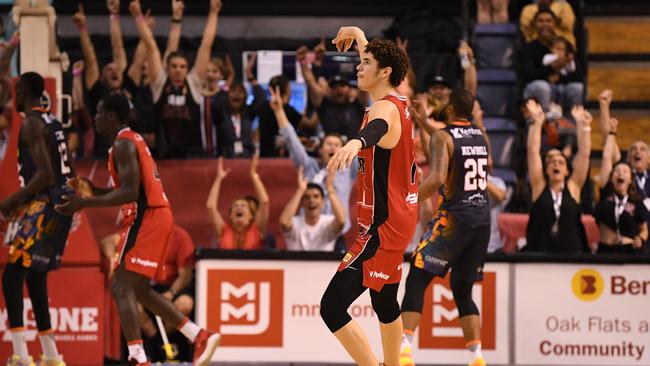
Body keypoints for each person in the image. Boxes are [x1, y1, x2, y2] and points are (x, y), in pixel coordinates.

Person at [54, 94, 219, 366]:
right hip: (154, 214)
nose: (94, 119)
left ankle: (137, 357)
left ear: (111, 117)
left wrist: (84, 203)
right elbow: (130, 191)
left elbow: (130, 192)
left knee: (119, 285)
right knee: (139, 289)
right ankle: (199, 335)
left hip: (148, 217)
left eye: (98, 113)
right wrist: (92, 190)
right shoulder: (129, 141)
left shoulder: (123, 144)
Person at [319, 27, 417, 366]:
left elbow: (377, 129)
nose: (358, 66)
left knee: (331, 307)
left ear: (385, 71)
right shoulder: (397, 97)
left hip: (383, 226)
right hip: (401, 216)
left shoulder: (383, 111)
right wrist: (361, 36)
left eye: (366, 62)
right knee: (385, 301)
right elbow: (381, 65)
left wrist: (355, 142)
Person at [399, 88, 490, 366]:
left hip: (455, 218)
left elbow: (438, 178)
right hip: (482, 220)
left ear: (449, 109)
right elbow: (449, 140)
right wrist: (423, 120)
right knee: (462, 290)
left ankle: (403, 350)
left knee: (417, 278)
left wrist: (408, 199)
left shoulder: (442, 137)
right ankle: (476, 357)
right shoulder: (481, 136)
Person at [0, 72, 73, 366]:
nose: (13, 96)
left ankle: (21, 354)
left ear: (26, 92)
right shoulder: (53, 121)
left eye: (17, 91)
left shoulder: (31, 123)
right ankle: (52, 355)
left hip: (43, 206)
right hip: (62, 206)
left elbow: (44, 175)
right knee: (35, 276)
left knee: (11, 276)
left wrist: (11, 200)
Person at [130, 0, 221, 158]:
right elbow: (151, 46)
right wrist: (138, 17)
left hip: (192, 154)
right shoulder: (159, 84)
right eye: (174, 66)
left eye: (182, 67)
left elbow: (206, 45)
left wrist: (213, 13)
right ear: (167, 68)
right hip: (164, 155)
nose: (178, 70)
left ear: (187, 69)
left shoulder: (193, 83)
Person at [270, 85, 356, 235]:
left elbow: (369, 144)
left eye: (337, 145)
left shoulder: (349, 169)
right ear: (320, 150)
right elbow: (291, 140)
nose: (333, 148)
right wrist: (278, 111)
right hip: (308, 230)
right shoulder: (308, 166)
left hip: (337, 232)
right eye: (329, 144)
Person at [524, 99, 591, 253]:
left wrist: (584, 126)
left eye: (561, 162)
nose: (556, 164)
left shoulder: (574, 187)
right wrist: (536, 123)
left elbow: (584, 153)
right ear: (545, 169)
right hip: (540, 256)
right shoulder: (539, 187)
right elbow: (532, 152)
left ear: (567, 170)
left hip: (571, 258)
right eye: (552, 162)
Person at [595, 117, 648, 253]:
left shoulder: (636, 201)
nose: (620, 174)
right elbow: (607, 157)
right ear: (611, 178)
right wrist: (612, 133)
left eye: (625, 171)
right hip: (606, 250)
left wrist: (641, 238)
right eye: (617, 171)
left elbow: (644, 227)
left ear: (631, 179)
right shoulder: (606, 192)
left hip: (630, 252)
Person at [520, 8, 584, 113]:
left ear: (555, 24)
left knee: (577, 87)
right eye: (540, 21)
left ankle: (574, 123)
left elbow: (578, 74)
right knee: (542, 87)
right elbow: (528, 75)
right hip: (536, 88)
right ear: (534, 24)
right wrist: (552, 68)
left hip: (562, 85)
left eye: (549, 21)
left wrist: (559, 77)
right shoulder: (528, 48)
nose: (545, 24)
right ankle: (545, 124)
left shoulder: (565, 45)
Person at [206, 155, 269, 250]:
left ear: (251, 216)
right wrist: (218, 178)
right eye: (235, 206)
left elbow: (264, 202)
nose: (238, 208)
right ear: (230, 216)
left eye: (243, 206)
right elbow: (210, 207)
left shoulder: (258, 229)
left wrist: (254, 175)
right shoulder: (222, 231)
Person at [279, 167, 345, 251]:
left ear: (323, 202)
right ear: (301, 203)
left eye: (316, 196)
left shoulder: (327, 222)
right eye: (307, 197)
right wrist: (300, 191)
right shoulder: (294, 223)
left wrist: (330, 189)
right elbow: (283, 222)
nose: (311, 200)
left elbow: (341, 221)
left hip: (323, 264)